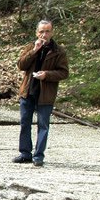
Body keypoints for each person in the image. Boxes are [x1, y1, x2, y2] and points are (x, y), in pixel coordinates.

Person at [13, 19, 69, 167]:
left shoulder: (58, 51)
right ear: (37, 33)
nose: (44, 34)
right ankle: (25, 153)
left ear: (52, 32)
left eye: (47, 31)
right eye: (41, 31)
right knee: (25, 123)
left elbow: (64, 72)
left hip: (46, 93)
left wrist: (47, 75)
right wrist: (34, 51)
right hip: (28, 91)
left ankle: (38, 155)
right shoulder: (31, 46)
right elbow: (21, 65)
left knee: (43, 125)